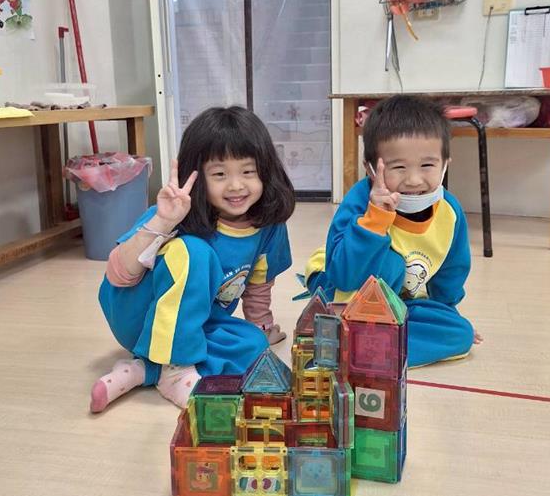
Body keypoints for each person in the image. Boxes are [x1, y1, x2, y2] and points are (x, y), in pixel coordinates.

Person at [91, 106, 295, 413]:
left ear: (266, 171)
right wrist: (162, 222)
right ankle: (176, 372)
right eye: (220, 174)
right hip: (138, 315)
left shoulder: (269, 227)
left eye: (248, 172)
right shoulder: (177, 213)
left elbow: (258, 284)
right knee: (193, 251)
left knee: (254, 345)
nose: (236, 185)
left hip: (197, 324)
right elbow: (118, 276)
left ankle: (147, 369)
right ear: (197, 176)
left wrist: (262, 327)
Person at [305, 94, 481, 367]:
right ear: (371, 169)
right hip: (341, 285)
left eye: (427, 165)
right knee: (392, 264)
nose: (414, 180)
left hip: (400, 301)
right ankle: (356, 338)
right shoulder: (359, 201)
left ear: (445, 162)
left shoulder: (449, 211)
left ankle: (364, 347)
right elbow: (344, 275)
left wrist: (447, 317)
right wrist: (376, 218)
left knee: (461, 334)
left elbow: (451, 272)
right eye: (398, 167)